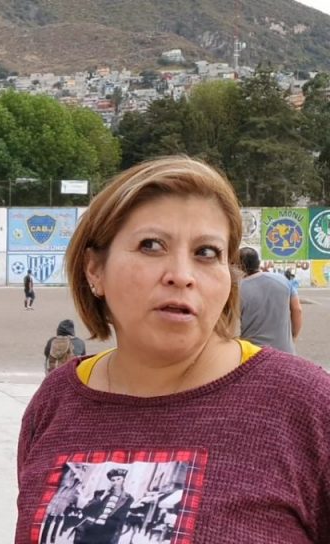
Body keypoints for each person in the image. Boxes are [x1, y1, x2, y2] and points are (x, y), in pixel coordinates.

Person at [16, 157, 330, 542]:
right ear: (94, 270)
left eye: (206, 253)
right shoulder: (56, 401)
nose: (181, 275)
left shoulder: (307, 405)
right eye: (151, 245)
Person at [238, 247, 302, 353]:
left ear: (239, 266)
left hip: (254, 355)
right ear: (258, 263)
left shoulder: (238, 289)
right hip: (285, 352)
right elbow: (297, 309)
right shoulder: (283, 280)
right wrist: (293, 336)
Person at [72, 468, 134, 544]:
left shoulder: (128, 499)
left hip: (107, 533)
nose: (116, 482)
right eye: (113, 480)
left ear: (123, 480)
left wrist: (115, 537)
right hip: (90, 529)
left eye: (118, 479)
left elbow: (120, 520)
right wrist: (103, 496)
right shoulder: (99, 493)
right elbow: (86, 510)